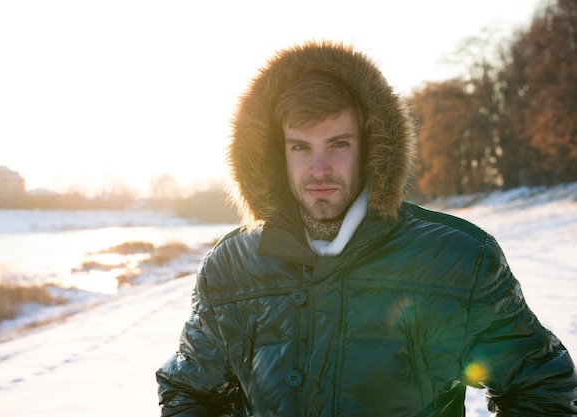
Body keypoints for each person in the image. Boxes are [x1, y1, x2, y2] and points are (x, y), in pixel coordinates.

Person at [156, 40, 577, 416]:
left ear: (372, 146)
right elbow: (189, 392)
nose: (319, 169)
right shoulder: (231, 267)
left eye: (338, 143)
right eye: (300, 146)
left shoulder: (456, 258)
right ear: (273, 153)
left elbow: (540, 384)